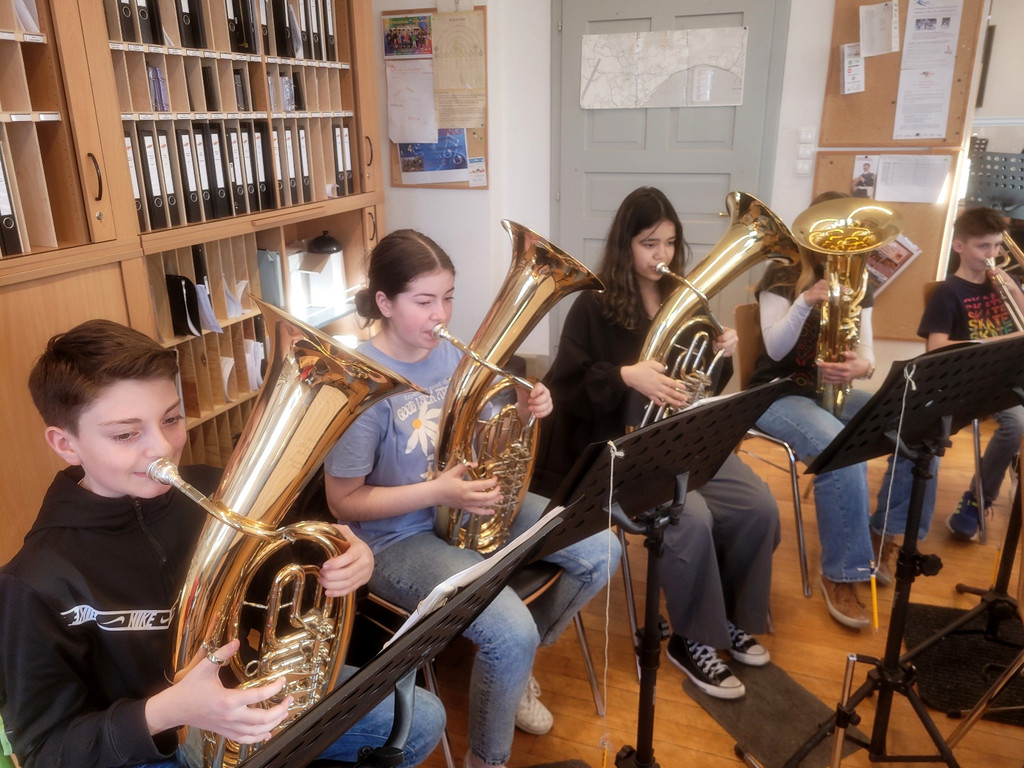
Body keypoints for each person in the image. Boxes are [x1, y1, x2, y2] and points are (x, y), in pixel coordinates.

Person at [0, 319, 445, 768]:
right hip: (144, 747)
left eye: (171, 419)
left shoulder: (218, 492)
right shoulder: (36, 580)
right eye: (125, 434)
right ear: (66, 444)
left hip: (246, 689)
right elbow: (44, 752)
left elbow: (294, 564)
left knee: (421, 718)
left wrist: (348, 560)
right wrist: (169, 711)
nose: (163, 447)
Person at [322, 229, 619, 768]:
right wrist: (438, 490)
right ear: (384, 303)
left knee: (603, 549)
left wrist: (525, 411)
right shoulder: (363, 384)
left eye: (448, 297)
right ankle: (488, 759)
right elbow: (343, 502)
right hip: (395, 541)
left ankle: (518, 670)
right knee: (510, 632)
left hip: (463, 505)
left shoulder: (450, 356)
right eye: (424, 301)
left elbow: (483, 433)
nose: (441, 315)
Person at [534, 186, 779, 701]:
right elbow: (566, 387)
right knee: (693, 517)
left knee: (757, 505)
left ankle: (729, 618)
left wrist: (722, 353)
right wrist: (625, 376)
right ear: (625, 244)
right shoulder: (593, 305)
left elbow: (702, 382)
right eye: (649, 243)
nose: (661, 255)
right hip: (624, 448)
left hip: (682, 434)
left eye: (669, 242)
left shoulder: (683, 297)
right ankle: (692, 639)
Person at [748, 191, 936, 630]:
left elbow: (866, 353)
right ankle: (843, 573)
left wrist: (860, 366)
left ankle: (882, 534)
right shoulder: (782, 275)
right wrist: (805, 302)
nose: (843, 246)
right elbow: (774, 348)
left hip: (829, 391)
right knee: (842, 449)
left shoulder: (859, 279)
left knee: (921, 425)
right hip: (776, 394)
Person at [919, 206, 1024, 540]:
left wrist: (1014, 290)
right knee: (1016, 423)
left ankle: (1014, 467)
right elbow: (936, 347)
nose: (992, 254)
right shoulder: (948, 293)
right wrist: (998, 341)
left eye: (997, 245)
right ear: (959, 246)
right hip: (970, 382)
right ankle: (977, 501)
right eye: (983, 246)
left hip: (1009, 375)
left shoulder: (1001, 285)